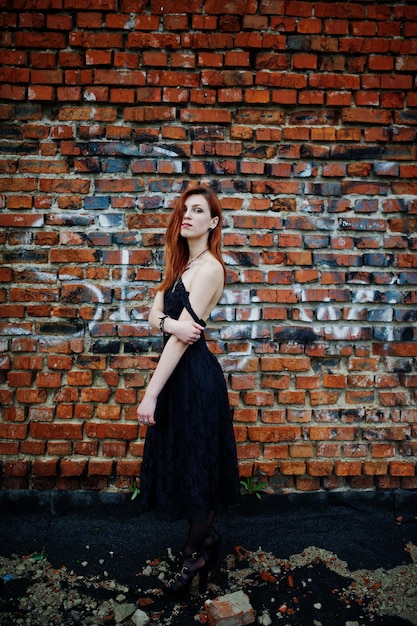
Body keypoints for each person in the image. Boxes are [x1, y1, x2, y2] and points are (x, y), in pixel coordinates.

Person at [137, 185, 241, 599]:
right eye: (184, 208)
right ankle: (207, 541)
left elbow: (184, 339)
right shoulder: (181, 264)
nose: (188, 215)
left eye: (198, 210)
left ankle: (194, 553)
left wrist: (149, 394)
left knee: (200, 465)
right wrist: (169, 324)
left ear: (213, 222)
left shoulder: (210, 267)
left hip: (195, 381)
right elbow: (153, 316)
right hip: (177, 377)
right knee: (184, 459)